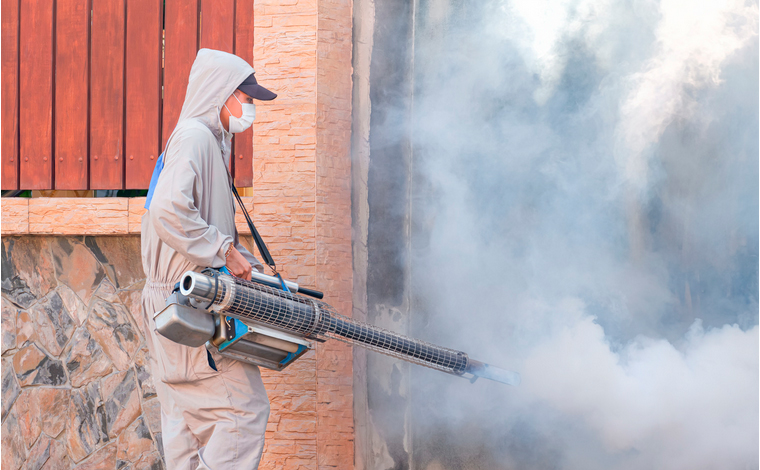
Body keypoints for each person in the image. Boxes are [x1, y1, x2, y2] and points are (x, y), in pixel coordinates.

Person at [140, 48, 277, 469]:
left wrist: (237, 256)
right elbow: (168, 211)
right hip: (190, 303)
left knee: (185, 421)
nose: (249, 107)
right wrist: (223, 250)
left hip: (171, 300)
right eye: (245, 97)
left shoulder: (198, 139)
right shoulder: (196, 138)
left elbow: (184, 217)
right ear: (221, 94)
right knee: (242, 411)